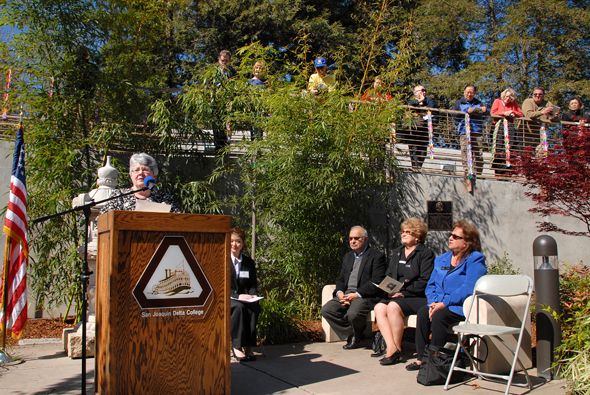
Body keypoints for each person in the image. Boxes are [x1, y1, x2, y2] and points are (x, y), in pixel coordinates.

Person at [405, 220, 487, 371]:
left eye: (456, 237)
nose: (450, 238)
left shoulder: (475, 259)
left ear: (468, 242)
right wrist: (432, 302)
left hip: (461, 306)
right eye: (451, 235)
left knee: (440, 316)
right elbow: (431, 285)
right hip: (440, 304)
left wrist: (444, 303)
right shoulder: (441, 259)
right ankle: (422, 358)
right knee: (423, 312)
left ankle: (436, 359)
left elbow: (469, 288)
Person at [372, 218, 434, 365]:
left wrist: (404, 293)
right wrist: (388, 289)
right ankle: (392, 349)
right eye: (403, 231)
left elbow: (425, 280)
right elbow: (389, 275)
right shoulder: (398, 252)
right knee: (379, 307)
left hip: (418, 296)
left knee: (393, 306)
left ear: (418, 236)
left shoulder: (425, 253)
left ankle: (396, 349)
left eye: (408, 232)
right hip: (398, 295)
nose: (404, 234)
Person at [321, 226, 386, 349]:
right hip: (346, 294)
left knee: (353, 313)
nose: (353, 241)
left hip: (364, 295)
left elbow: (377, 281)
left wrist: (357, 295)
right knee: (327, 310)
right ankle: (354, 333)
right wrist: (340, 292)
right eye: (350, 238)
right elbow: (341, 278)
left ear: (366, 239)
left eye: (357, 238)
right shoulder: (348, 257)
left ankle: (355, 336)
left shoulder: (376, 256)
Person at [100, 153, 180, 214]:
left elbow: (178, 220)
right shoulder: (119, 196)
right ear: (131, 175)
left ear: (154, 175)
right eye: (136, 170)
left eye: (145, 169)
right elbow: (101, 221)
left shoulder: (163, 197)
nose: (141, 173)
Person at [230, 227, 261, 362]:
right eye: (231, 241)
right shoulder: (222, 260)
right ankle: (237, 345)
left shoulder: (248, 263)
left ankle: (249, 345)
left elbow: (252, 285)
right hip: (227, 298)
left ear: (243, 244)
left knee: (253, 307)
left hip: (243, 298)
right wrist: (237, 296)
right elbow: (220, 287)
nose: (234, 244)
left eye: (238, 241)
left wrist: (253, 296)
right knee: (239, 307)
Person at [452, 85, 488, 192]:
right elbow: (454, 114)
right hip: (464, 131)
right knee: (465, 153)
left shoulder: (479, 103)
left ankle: (478, 173)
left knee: (479, 153)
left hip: (477, 131)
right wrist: (467, 110)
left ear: (475, 93)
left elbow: (486, 112)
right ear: (464, 92)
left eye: (472, 92)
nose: (469, 94)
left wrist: (481, 110)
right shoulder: (459, 103)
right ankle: (468, 173)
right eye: (468, 92)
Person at [490, 88, 523, 173]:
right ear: (503, 95)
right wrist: (504, 113)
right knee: (499, 149)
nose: (507, 98)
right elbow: (493, 112)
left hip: (509, 129)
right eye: (506, 96)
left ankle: (507, 170)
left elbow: (520, 113)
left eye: (510, 97)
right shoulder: (497, 101)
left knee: (509, 149)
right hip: (498, 128)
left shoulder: (513, 104)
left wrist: (513, 113)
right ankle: (498, 170)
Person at [407, 85, 439, 170]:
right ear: (415, 92)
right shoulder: (412, 100)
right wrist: (419, 101)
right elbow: (411, 105)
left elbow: (433, 107)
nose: (423, 92)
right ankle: (415, 168)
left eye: (424, 90)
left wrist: (422, 104)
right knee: (414, 149)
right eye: (421, 90)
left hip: (425, 129)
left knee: (423, 151)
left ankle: (418, 168)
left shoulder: (429, 101)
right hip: (414, 130)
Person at [520, 87, 560, 153]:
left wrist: (555, 115)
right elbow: (528, 114)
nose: (537, 96)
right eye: (535, 94)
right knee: (525, 154)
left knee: (542, 153)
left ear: (543, 95)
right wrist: (542, 112)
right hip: (526, 132)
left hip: (540, 134)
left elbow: (553, 118)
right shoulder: (528, 101)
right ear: (532, 95)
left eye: (540, 94)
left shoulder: (548, 103)